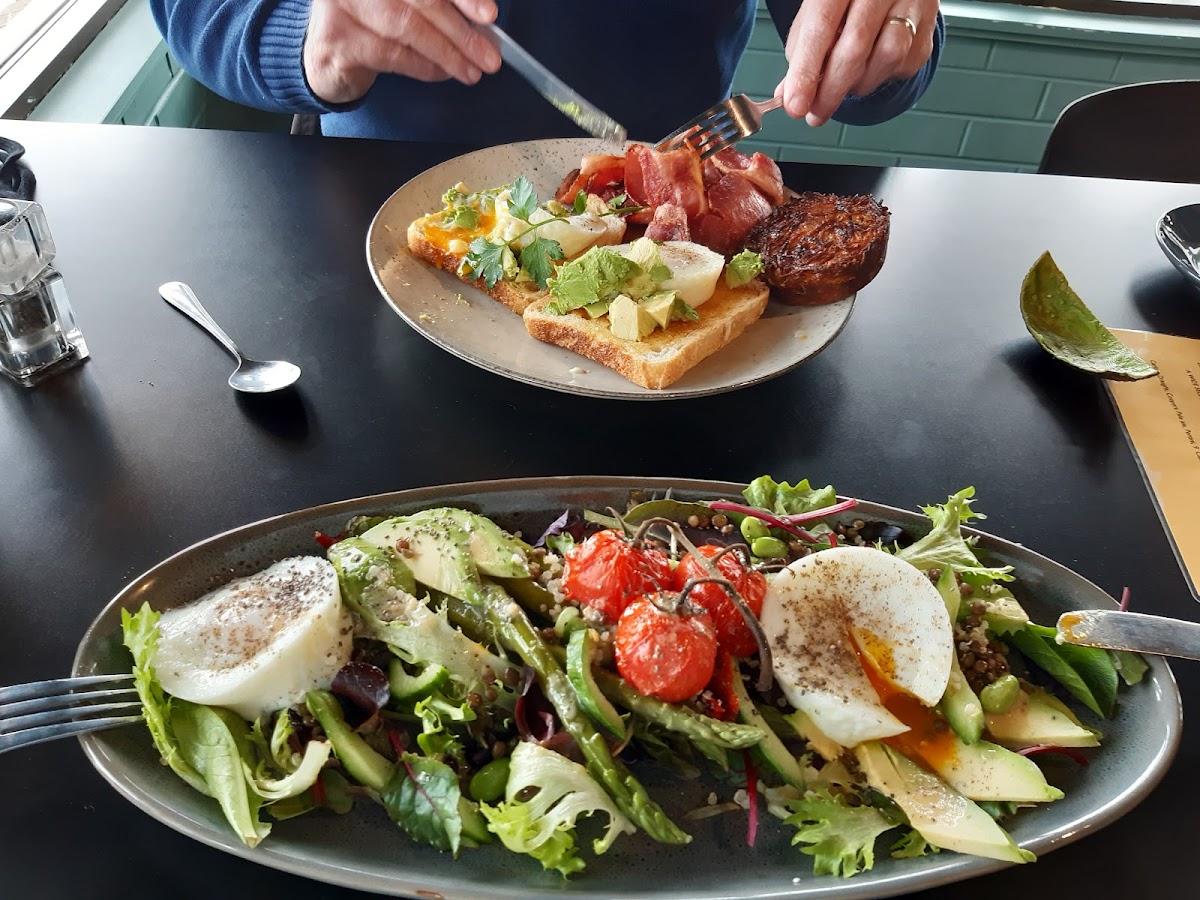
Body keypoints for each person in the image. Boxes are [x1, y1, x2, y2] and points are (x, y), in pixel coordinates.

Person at [150, 0, 943, 144]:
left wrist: (879, 42)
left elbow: (879, 67)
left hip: (675, 201)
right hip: (372, 217)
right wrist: (308, 40)